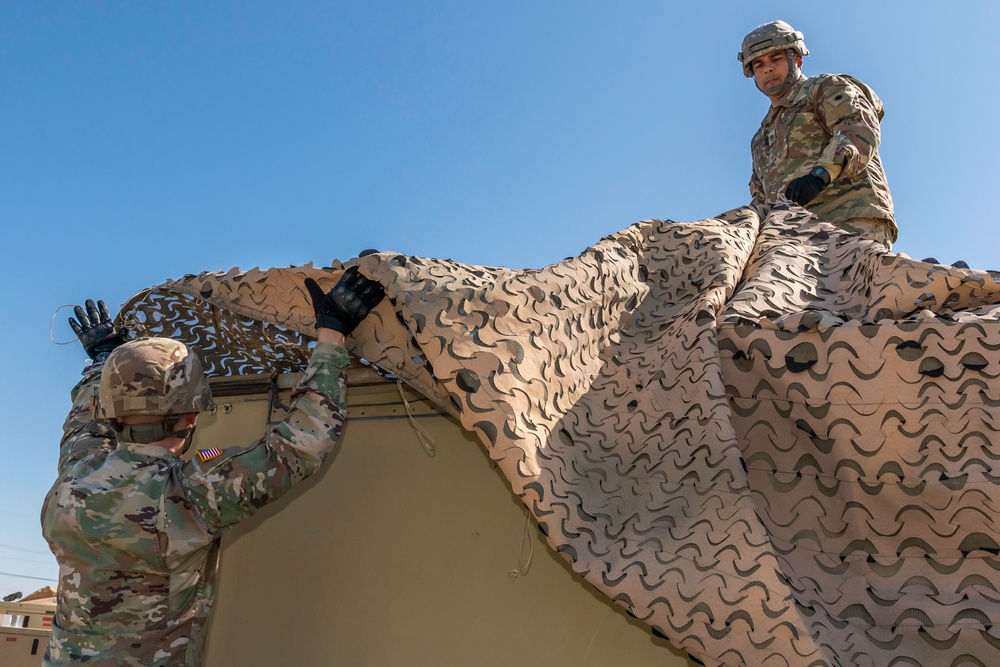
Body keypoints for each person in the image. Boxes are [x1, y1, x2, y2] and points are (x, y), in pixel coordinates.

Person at [41, 268, 385, 666]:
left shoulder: (75, 473)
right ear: (191, 415)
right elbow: (302, 444)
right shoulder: (185, 496)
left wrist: (105, 359)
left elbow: (85, 416)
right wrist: (331, 335)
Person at [740, 20, 897, 247]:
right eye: (758, 64)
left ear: (797, 59)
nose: (768, 69)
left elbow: (858, 130)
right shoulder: (761, 137)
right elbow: (761, 199)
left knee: (857, 280)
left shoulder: (824, 88)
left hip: (848, 218)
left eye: (776, 59)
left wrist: (820, 176)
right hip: (792, 238)